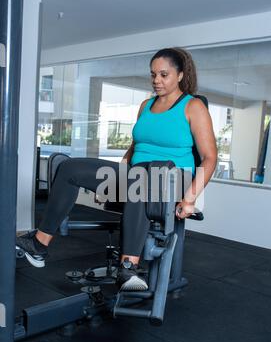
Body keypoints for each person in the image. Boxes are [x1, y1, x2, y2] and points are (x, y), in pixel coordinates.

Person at [16, 47, 217, 291]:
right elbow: (135, 148)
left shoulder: (193, 106)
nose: (156, 80)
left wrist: (190, 198)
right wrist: (113, 181)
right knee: (70, 168)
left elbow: (209, 158)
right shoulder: (146, 105)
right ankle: (40, 243)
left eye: (164, 75)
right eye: (153, 74)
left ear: (181, 75)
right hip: (137, 175)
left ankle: (129, 267)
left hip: (172, 179)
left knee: (139, 179)